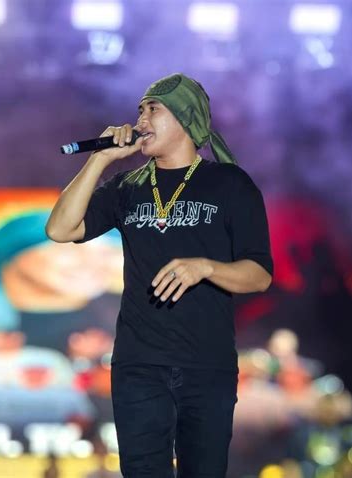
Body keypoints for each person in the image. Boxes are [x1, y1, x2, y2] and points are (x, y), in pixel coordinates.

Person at [45, 73, 273, 477]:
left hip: (207, 365)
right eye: (140, 110)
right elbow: (60, 229)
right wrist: (100, 160)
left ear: (186, 118)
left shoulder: (229, 184)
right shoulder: (127, 187)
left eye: (153, 109)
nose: (141, 120)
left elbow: (259, 275)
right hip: (138, 365)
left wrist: (205, 267)